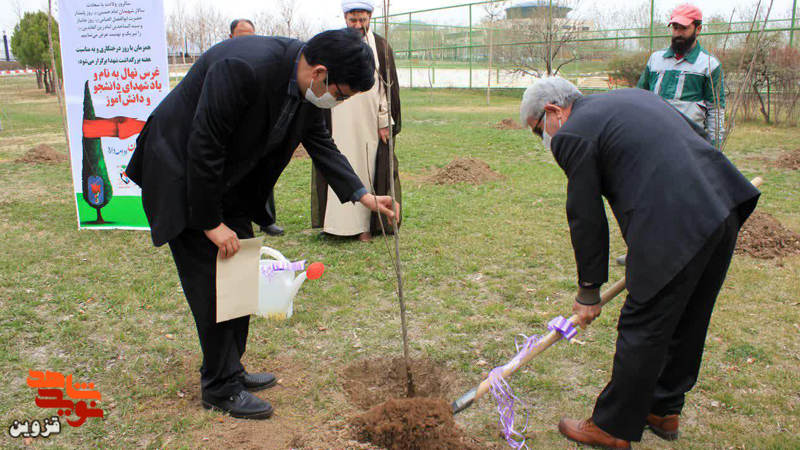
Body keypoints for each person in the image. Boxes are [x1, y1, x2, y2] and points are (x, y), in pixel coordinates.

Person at [127, 28, 397, 420]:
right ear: (320, 72)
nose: (336, 103)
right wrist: (210, 223)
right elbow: (204, 144)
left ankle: (231, 369)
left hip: (226, 181)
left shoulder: (308, 90)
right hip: (180, 171)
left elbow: (320, 141)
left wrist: (361, 194)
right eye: (340, 94)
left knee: (238, 278)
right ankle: (219, 387)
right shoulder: (244, 67)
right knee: (213, 283)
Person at [519, 77, 759, 449]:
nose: (545, 141)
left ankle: (612, 428)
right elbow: (680, 147)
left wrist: (588, 290)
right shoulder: (633, 98)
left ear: (553, 112)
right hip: (719, 209)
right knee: (688, 318)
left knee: (643, 325)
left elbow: (585, 215)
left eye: (539, 132)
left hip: (678, 223)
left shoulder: (572, 133)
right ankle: (663, 409)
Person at [311, 0, 402, 242]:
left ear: (370, 18)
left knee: (366, 165)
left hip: (369, 118)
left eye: (363, 20)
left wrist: (384, 119)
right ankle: (336, 225)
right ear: (345, 19)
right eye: (353, 20)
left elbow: (386, 86)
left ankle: (364, 226)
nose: (359, 25)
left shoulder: (381, 46)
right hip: (338, 116)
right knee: (337, 161)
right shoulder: (333, 44)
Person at [637, 4, 725, 147]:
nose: (678, 33)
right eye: (675, 27)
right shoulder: (655, 59)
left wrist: (714, 148)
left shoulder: (709, 64)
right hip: (653, 139)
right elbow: (639, 97)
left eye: (684, 28)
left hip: (689, 143)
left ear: (698, 29)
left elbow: (715, 109)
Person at [227, 18, 285, 237]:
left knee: (262, 172)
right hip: (232, 131)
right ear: (231, 37)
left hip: (259, 128)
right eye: (242, 36)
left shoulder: (264, 60)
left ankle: (266, 220)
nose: (248, 41)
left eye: (251, 36)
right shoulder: (224, 57)